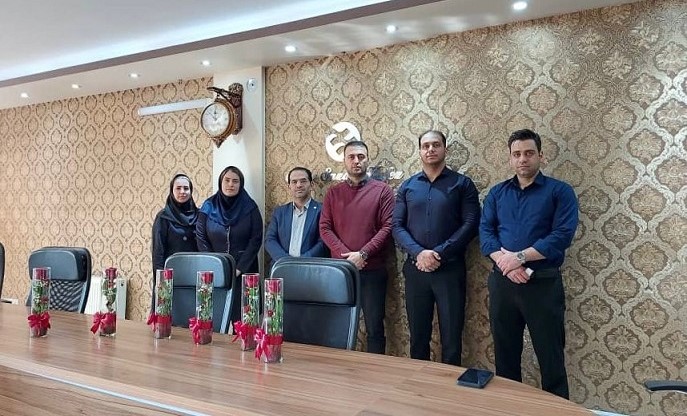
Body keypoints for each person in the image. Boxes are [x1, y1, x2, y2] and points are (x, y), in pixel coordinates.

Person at [479, 129, 579, 399]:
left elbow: (561, 235)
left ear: (540, 156)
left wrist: (519, 258)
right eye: (517, 154)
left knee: (551, 357)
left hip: (543, 285)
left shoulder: (560, 191)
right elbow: (486, 234)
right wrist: (507, 263)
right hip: (503, 284)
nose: (523, 159)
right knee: (505, 357)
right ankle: (511, 408)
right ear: (510, 158)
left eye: (529, 153)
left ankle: (556, 410)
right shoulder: (497, 193)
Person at [392, 130, 480, 366]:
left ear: (445, 149)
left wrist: (439, 253)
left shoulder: (462, 184)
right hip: (416, 270)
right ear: (420, 151)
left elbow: (470, 224)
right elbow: (397, 226)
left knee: (452, 338)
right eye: (425, 146)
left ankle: (448, 386)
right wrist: (419, 253)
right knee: (418, 337)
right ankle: (419, 383)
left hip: (449, 271)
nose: (430, 149)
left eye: (436, 145)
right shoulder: (408, 186)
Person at [319, 140, 394, 354]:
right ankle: (341, 369)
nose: (356, 161)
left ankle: (375, 370)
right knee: (338, 325)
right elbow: (325, 228)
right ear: (344, 160)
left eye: (361, 156)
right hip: (340, 272)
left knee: (374, 328)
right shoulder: (333, 193)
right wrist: (347, 257)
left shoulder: (383, 191)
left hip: (372, 270)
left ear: (367, 159)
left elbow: (388, 227)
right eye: (351, 157)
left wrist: (363, 254)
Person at [196, 166, 263, 320]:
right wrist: (214, 266)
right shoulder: (208, 206)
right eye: (227, 180)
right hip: (214, 272)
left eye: (235, 181)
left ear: (241, 184)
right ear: (220, 182)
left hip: (245, 271)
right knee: (214, 319)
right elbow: (200, 237)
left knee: (245, 321)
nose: (230, 184)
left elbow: (256, 239)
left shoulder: (250, 207)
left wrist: (239, 268)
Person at [151, 174, 199, 309]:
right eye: (178, 188)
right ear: (172, 191)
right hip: (170, 278)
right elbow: (158, 252)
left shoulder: (199, 216)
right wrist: (161, 282)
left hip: (193, 276)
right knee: (167, 316)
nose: (182, 192)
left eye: (186, 188)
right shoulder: (163, 217)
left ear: (191, 191)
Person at [265, 167, 328, 265]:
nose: (299, 185)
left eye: (303, 181)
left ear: (311, 185)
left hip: (311, 267)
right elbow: (270, 240)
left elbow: (323, 242)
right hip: (282, 267)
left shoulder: (322, 210)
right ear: (289, 186)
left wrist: (301, 262)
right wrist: (285, 261)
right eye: (294, 182)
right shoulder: (279, 212)